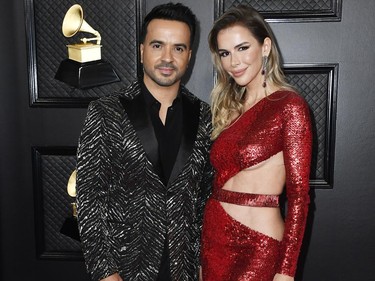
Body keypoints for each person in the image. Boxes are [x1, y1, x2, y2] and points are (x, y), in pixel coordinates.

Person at [76, 3, 213, 281]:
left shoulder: (204, 115)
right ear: (141, 51)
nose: (167, 58)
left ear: (189, 56)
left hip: (182, 269)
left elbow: (204, 200)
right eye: (157, 45)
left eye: (178, 48)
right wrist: (106, 273)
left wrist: (201, 264)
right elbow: (90, 198)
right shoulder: (106, 111)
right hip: (125, 270)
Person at [201, 5, 312, 281]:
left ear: (265, 47)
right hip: (214, 238)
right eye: (225, 53)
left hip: (258, 245)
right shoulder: (230, 108)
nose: (233, 62)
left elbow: (299, 198)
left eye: (242, 48)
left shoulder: (290, 106)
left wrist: (286, 270)